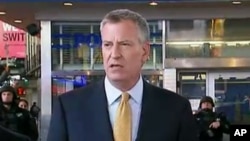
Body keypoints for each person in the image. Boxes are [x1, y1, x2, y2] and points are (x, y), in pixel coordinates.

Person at [47, 9, 199, 141]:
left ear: (145, 52)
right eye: (108, 45)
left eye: (124, 44)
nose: (114, 54)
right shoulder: (69, 107)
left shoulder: (176, 109)